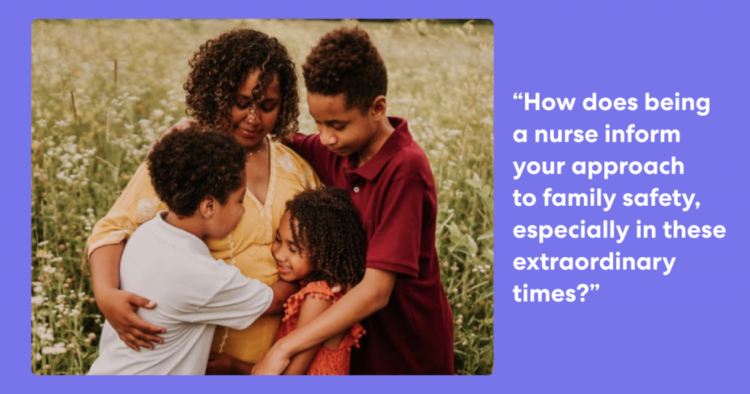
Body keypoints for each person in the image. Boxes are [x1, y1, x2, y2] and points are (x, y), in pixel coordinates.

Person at [85, 29, 320, 373]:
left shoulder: (295, 168)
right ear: (217, 95)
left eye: (267, 106)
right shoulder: (188, 160)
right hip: (197, 363)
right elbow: (112, 229)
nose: (253, 118)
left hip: (272, 362)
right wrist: (105, 294)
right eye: (241, 103)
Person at [253, 26, 454, 375]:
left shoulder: (404, 168)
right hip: (351, 339)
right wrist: (203, 128)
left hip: (405, 347)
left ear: (377, 108)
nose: (326, 137)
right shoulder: (340, 149)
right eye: (318, 122)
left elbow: (377, 291)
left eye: (337, 124)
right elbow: (289, 139)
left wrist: (283, 349)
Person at [89, 129, 287, 375]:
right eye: (240, 201)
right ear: (209, 206)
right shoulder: (197, 273)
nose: (244, 211)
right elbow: (274, 301)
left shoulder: (146, 234)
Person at [271, 187, 367, 375]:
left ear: (322, 253)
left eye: (293, 249)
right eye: (277, 239)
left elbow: (291, 376)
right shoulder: (315, 289)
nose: (279, 254)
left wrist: (234, 367)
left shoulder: (319, 296)